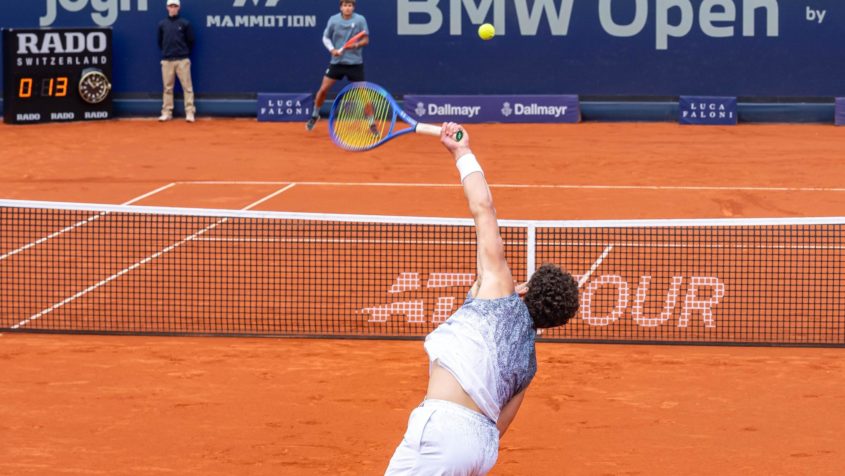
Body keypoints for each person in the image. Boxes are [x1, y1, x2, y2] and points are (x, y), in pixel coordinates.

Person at [384, 123, 580, 475]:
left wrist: (461, 152)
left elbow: (483, 208)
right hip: (480, 448)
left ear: (525, 288)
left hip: (442, 430)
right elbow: (498, 427)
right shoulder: (529, 364)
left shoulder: (498, 289)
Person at [306, 0, 369, 132]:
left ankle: (371, 123)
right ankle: (315, 115)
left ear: (353, 7)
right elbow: (325, 37)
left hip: (355, 64)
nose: (347, 8)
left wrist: (355, 45)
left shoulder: (360, 20)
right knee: (323, 90)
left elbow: (366, 39)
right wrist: (332, 49)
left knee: (364, 95)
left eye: (350, 5)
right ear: (341, 7)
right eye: (345, 5)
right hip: (337, 63)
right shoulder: (333, 20)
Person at [157, 0, 196, 123]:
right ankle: (166, 113)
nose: (173, 8)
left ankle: (189, 112)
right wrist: (167, 53)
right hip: (167, 61)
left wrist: (183, 53)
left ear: (179, 8)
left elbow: (191, 41)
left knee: (187, 88)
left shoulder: (185, 23)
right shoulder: (162, 24)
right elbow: (160, 42)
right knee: (167, 88)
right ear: (167, 7)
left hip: (182, 60)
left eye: (175, 6)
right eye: (170, 6)